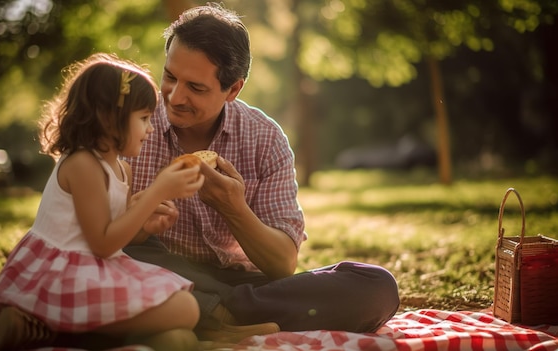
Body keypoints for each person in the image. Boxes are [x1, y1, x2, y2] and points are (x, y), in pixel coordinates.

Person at [123, 2, 401, 343]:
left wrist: (233, 207)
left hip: (247, 285)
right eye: (170, 77)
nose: (176, 97)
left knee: (376, 287)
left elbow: (282, 264)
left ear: (233, 89)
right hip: (162, 272)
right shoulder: (131, 125)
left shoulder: (265, 139)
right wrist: (140, 219)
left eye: (196, 88)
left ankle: (214, 311)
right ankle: (219, 313)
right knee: (127, 259)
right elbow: (102, 240)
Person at [0, 53, 204, 351]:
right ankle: (42, 324)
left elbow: (120, 237)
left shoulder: (122, 169)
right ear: (109, 118)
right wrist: (156, 193)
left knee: (182, 330)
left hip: (97, 268)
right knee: (186, 310)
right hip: (61, 277)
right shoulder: (82, 164)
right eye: (143, 119)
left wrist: (146, 223)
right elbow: (102, 243)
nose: (150, 129)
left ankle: (56, 332)